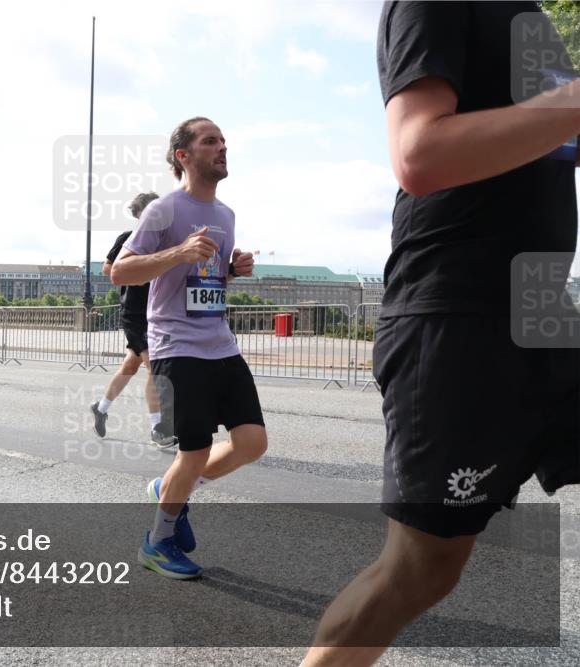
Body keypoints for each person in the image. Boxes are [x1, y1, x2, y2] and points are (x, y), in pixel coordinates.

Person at [302, 4, 580, 665]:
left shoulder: (532, 20)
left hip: (545, 311)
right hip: (458, 316)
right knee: (421, 569)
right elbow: (418, 153)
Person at [112, 117, 266, 579]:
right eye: (210, 141)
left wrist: (232, 270)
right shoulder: (163, 210)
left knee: (252, 443)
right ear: (184, 155)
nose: (222, 147)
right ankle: (157, 542)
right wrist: (177, 252)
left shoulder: (227, 215)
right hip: (177, 345)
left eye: (223, 140)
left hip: (220, 343)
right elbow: (121, 271)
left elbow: (207, 279)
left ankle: (170, 488)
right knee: (194, 451)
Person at [91, 192, 174, 448]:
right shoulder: (128, 238)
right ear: (141, 214)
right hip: (135, 313)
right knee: (153, 366)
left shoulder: (163, 241)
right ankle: (158, 429)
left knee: (130, 366)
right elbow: (108, 268)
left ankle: (101, 408)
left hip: (156, 311)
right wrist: (138, 271)